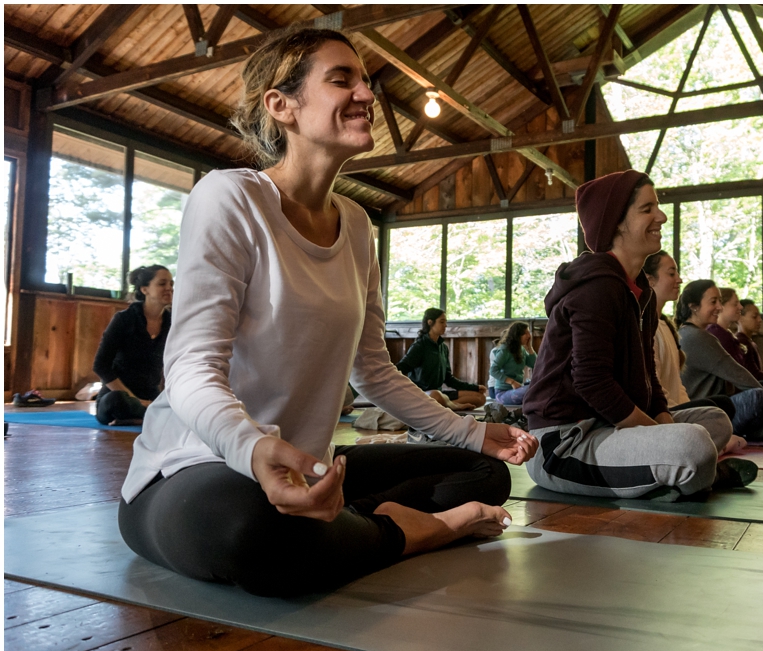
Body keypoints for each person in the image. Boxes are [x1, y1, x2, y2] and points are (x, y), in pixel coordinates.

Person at [117, 28, 539, 598]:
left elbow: (373, 370)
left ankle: (341, 524)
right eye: (342, 79)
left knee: (483, 473)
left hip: (311, 466)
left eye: (366, 81)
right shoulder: (230, 197)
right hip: (192, 469)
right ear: (281, 106)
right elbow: (191, 368)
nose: (366, 93)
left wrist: (470, 430)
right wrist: (254, 447)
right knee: (254, 531)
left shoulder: (359, 226)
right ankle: (415, 531)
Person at [522, 170, 757, 501]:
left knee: (715, 420)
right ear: (618, 222)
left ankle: (674, 475)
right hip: (564, 444)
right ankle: (695, 473)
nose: (660, 216)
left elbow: (648, 379)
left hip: (611, 428)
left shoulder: (641, 293)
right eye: (647, 209)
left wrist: (662, 423)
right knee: (693, 444)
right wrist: (665, 435)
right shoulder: (597, 287)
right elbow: (592, 382)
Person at [642, 251, 739, 424]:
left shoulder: (666, 326)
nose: (679, 279)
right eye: (671, 273)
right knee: (721, 409)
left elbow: (678, 387)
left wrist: (692, 410)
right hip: (661, 414)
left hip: (676, 411)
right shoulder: (645, 327)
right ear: (650, 280)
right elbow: (653, 389)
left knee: (721, 406)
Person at [677, 280, 763, 440]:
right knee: (762, 397)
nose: (719, 306)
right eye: (713, 302)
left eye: (720, 301)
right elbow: (738, 375)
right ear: (693, 306)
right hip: (706, 415)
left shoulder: (692, 333)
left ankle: (757, 430)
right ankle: (748, 432)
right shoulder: (698, 337)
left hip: (714, 407)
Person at [92, 265, 173, 426]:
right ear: (145, 289)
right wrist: (135, 400)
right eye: (162, 284)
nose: (169, 288)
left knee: (178, 407)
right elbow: (100, 365)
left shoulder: (173, 322)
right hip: (118, 395)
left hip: (151, 395)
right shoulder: (124, 319)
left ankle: (142, 416)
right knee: (117, 401)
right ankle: (147, 415)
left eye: (171, 284)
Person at [395, 308, 488, 410]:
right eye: (442, 322)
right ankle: (450, 406)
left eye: (446, 322)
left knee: (480, 398)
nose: (445, 325)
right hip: (423, 394)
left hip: (440, 394)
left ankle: (445, 406)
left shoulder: (443, 348)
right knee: (435, 395)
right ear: (430, 322)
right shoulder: (419, 346)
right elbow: (400, 368)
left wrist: (475, 387)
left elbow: (448, 379)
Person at [489, 321, 536, 405]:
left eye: (529, 333)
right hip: (503, 393)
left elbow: (535, 365)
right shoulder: (505, 350)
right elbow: (493, 370)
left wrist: (530, 347)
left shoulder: (521, 349)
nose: (529, 336)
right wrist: (512, 382)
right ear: (517, 335)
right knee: (531, 390)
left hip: (517, 390)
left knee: (538, 387)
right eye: (525, 333)